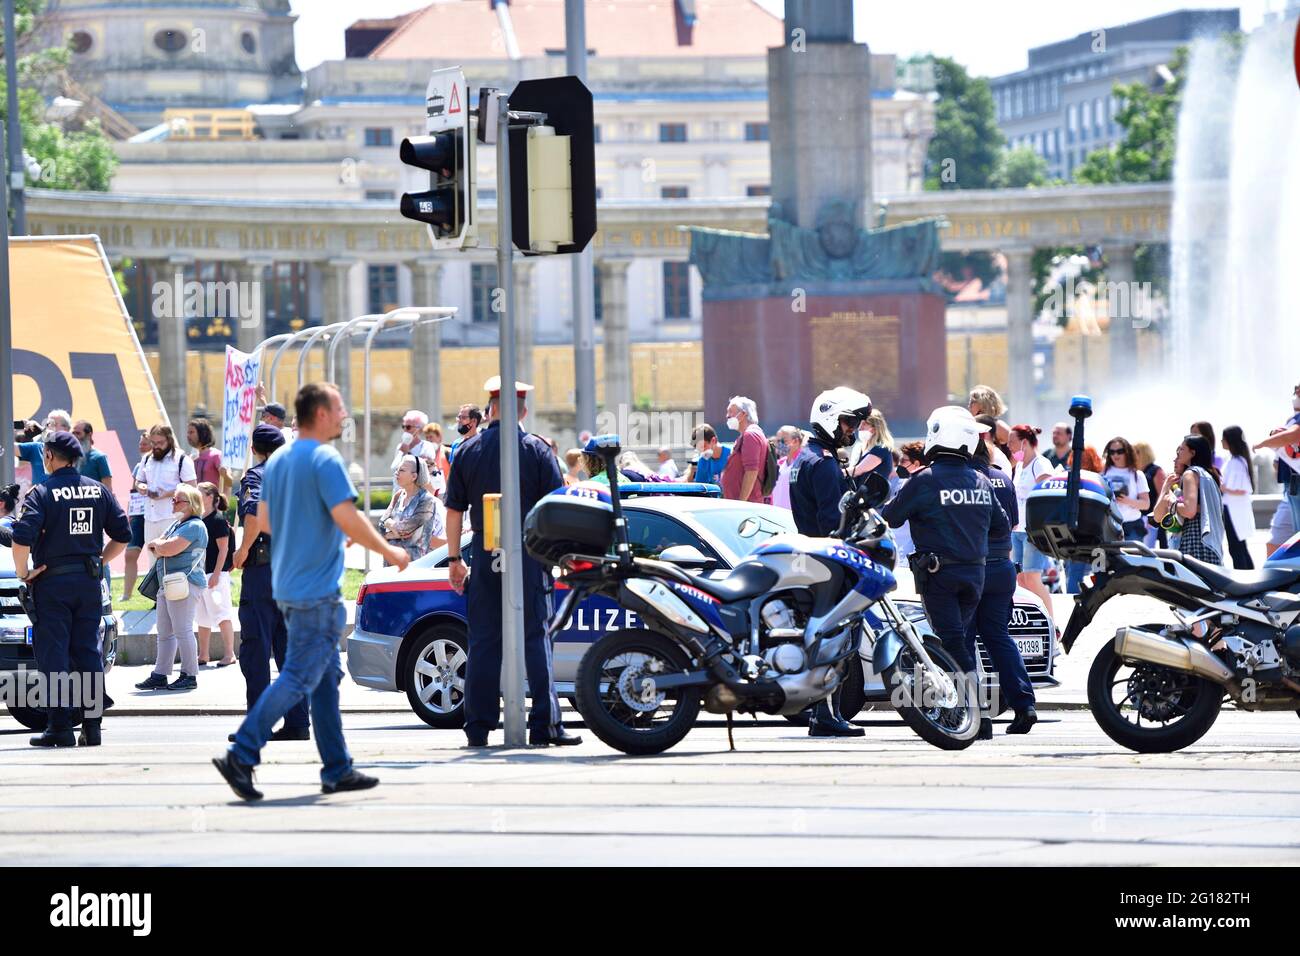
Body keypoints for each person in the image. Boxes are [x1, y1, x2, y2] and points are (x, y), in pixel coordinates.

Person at [215, 383, 409, 801]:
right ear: (320, 413)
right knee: (301, 674)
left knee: (324, 677)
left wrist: (310, 528)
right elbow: (348, 517)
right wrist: (390, 551)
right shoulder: (325, 458)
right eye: (339, 408)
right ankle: (242, 753)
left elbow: (263, 520)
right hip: (316, 589)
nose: (344, 415)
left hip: (287, 584)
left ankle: (337, 768)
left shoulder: (280, 461)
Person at [444, 376, 577, 749]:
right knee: (537, 639)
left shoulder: (467, 452)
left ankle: (478, 727)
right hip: (530, 560)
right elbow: (556, 509)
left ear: (490, 408)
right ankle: (544, 726)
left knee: (484, 642)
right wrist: (559, 556)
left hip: (485, 560)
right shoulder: (536, 450)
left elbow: (453, 510)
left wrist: (454, 559)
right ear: (521, 409)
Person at [882, 406, 1010, 740]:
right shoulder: (981, 480)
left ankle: (977, 715)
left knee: (952, 643)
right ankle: (960, 711)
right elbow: (1002, 525)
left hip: (939, 576)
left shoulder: (924, 480)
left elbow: (892, 517)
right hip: (975, 575)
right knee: (960, 642)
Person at [10, 432, 131, 747]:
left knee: (55, 655)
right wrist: (98, 561)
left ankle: (60, 727)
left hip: (52, 584)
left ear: (48, 456)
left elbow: (21, 538)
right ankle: (92, 728)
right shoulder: (98, 491)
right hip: (89, 583)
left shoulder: (42, 493)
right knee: (87, 653)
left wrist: (24, 573)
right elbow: (123, 534)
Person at [789, 385, 873, 737]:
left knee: (825, 635)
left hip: (812, 558)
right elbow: (831, 521)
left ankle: (825, 712)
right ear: (829, 419)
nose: (850, 430)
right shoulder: (822, 464)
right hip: (828, 560)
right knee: (834, 638)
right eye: (847, 423)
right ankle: (826, 714)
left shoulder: (807, 458)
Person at [229, 424, 310, 744]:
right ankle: (298, 723)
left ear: (256, 448)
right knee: (289, 650)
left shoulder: (257, 475)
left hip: (264, 572)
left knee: (256, 650)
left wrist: (243, 549)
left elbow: (254, 515)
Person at [969, 437, 1037, 736]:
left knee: (964, 640)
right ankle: (1024, 704)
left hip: (971, 567)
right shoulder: (1002, 478)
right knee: (998, 636)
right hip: (1002, 566)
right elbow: (1010, 524)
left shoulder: (964, 480)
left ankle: (976, 715)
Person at [133, 484, 209, 692]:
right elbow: (153, 545)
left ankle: (189, 674)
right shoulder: (178, 524)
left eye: (178, 500)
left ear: (191, 504)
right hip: (170, 584)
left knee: (182, 630)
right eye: (173, 499)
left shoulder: (194, 526)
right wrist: (161, 545)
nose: (173, 502)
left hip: (184, 583)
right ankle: (160, 674)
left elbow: (166, 548)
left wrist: (161, 546)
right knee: (165, 632)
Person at [1154, 435, 1225, 565]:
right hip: (1210, 542)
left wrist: (1172, 502)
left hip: (1193, 540)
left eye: (1181, 449)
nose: (1178, 453)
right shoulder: (1208, 474)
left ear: (1192, 453)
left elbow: (1189, 510)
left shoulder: (1190, 474)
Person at [1007, 425, 1054, 608]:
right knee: (1021, 579)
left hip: (1033, 530)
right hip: (1018, 529)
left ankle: (1051, 620)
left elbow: (1047, 496)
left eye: (1012, 442)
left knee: (1033, 577)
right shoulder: (1019, 465)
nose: (1009, 446)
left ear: (1024, 442)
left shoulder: (1040, 464)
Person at [136, 424, 197, 566]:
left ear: (169, 440)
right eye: (153, 443)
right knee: (153, 563)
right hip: (150, 517)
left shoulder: (182, 459)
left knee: (173, 562)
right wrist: (141, 487)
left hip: (173, 518)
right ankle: (157, 589)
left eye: (160, 443)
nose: (156, 446)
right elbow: (138, 481)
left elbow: (192, 488)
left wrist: (167, 494)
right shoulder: (147, 459)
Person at [196, 482, 237, 667]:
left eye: (200, 494)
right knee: (202, 617)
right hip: (202, 574)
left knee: (222, 614)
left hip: (215, 574)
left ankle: (230, 653)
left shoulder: (218, 520)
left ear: (210, 497)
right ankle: (203, 655)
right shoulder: (200, 519)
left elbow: (223, 549)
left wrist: (216, 574)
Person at [1253, 383, 1300, 537]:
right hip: (1291, 482)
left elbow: (1292, 436)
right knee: (1282, 535)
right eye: (1296, 392)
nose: (1296, 397)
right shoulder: (1291, 420)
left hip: (1296, 481)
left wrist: (1263, 443)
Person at [381, 454, 445, 562]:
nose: (396, 473)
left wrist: (391, 528)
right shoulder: (398, 495)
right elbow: (381, 526)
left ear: (414, 476)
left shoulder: (426, 500)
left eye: (401, 470)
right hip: (392, 563)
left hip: (415, 566)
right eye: (397, 469)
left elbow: (404, 529)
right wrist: (395, 530)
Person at [120, 431, 152, 600]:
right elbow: (134, 493)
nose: (141, 446)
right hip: (138, 516)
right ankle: (126, 594)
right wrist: (129, 514)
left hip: (155, 514)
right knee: (130, 554)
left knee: (156, 555)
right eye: (140, 443)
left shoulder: (159, 465)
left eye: (145, 443)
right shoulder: (138, 466)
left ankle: (156, 594)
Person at [1219, 426, 1256, 570]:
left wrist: (1224, 488)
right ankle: (1249, 576)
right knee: (1239, 547)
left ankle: (1243, 578)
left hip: (1234, 510)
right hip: (1233, 508)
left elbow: (1243, 489)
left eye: (1223, 438)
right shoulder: (1236, 460)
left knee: (1236, 548)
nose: (1221, 441)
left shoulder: (1236, 462)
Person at [1101, 437, 1151, 541]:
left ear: (1127, 452)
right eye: (1112, 452)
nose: (1115, 455)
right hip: (1109, 525)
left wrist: (1128, 501)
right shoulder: (1103, 473)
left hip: (1132, 526)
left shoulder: (1137, 474)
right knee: (1109, 557)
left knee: (1133, 557)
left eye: (1120, 451)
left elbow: (1146, 504)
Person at [721, 396, 768, 502]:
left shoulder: (750, 435)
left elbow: (751, 471)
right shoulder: (746, 435)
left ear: (743, 414)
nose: (727, 416)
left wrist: (742, 502)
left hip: (746, 506)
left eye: (731, 412)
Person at [891, 441, 926, 560]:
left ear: (916, 464)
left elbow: (891, 515)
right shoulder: (903, 483)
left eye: (903, 461)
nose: (899, 465)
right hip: (900, 551)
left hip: (909, 554)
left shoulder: (917, 487)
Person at [1132, 442, 1167, 549]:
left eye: (1135, 452)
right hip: (1137, 518)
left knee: (1149, 552)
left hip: (1152, 520)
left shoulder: (1156, 470)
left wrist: (1154, 518)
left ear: (1142, 453)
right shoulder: (1135, 472)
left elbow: (1162, 495)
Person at [850, 408, 896, 484]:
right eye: (860, 423)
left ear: (875, 429)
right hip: (859, 494)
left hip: (873, 494)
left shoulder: (881, 449)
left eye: (864, 424)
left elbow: (858, 470)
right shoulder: (859, 448)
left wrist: (837, 474)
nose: (860, 427)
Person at [72, 421, 113, 493]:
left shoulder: (100, 457)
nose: (75, 437)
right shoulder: (69, 458)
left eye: (78, 433)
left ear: (89, 435)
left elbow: (107, 488)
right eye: (73, 433)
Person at [686, 423, 730, 487]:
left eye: (704, 446)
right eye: (699, 449)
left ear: (713, 440)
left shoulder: (731, 454)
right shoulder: (703, 460)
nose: (702, 451)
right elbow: (700, 487)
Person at [770, 426, 803, 510]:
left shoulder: (804, 463)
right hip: (777, 516)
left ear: (796, 441)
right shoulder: (779, 464)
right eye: (778, 441)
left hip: (795, 518)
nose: (779, 444)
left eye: (783, 441)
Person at [188, 418, 224, 490]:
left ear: (202, 433)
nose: (188, 435)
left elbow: (226, 480)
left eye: (191, 432)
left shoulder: (216, 455)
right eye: (188, 432)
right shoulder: (190, 458)